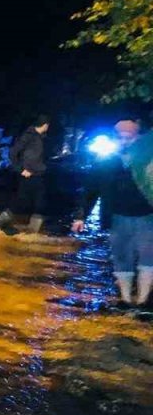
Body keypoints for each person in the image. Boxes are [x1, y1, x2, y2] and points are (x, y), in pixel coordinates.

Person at [72, 120, 153, 306]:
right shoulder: (106, 161)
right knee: (122, 258)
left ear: (137, 138)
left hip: (147, 216)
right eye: (120, 137)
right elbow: (90, 189)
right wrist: (80, 216)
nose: (124, 141)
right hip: (117, 217)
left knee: (147, 259)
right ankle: (126, 300)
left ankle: (142, 301)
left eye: (128, 138)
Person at [0, 114, 51, 234]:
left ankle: (32, 231)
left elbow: (37, 156)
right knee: (23, 201)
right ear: (45, 125)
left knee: (38, 201)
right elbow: (12, 153)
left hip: (37, 173)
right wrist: (21, 169)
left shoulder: (40, 137)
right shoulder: (29, 136)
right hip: (28, 174)